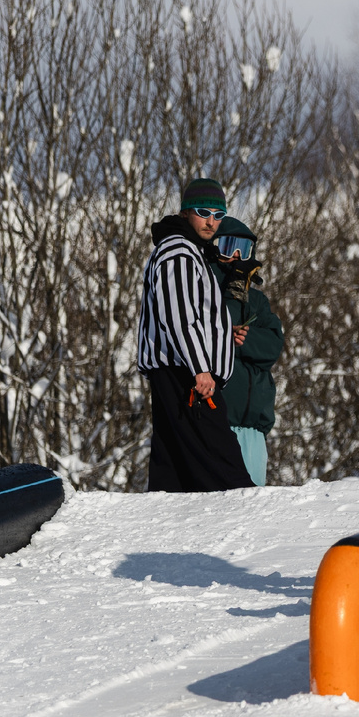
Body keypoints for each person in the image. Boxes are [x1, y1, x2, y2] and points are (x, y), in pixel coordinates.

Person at [137, 178, 256, 492]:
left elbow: (190, 313)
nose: (212, 222)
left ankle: (170, 526)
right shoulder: (178, 251)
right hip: (188, 376)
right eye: (204, 212)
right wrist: (200, 367)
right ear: (186, 212)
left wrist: (219, 336)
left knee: (173, 471)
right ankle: (251, 518)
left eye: (219, 215)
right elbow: (178, 316)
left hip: (181, 372)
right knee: (225, 467)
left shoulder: (190, 251)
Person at [211, 217, 285, 486]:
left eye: (243, 248)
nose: (237, 256)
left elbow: (274, 345)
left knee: (252, 507)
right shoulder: (208, 292)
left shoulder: (257, 301)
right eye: (229, 246)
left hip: (254, 428)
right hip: (219, 424)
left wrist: (248, 339)